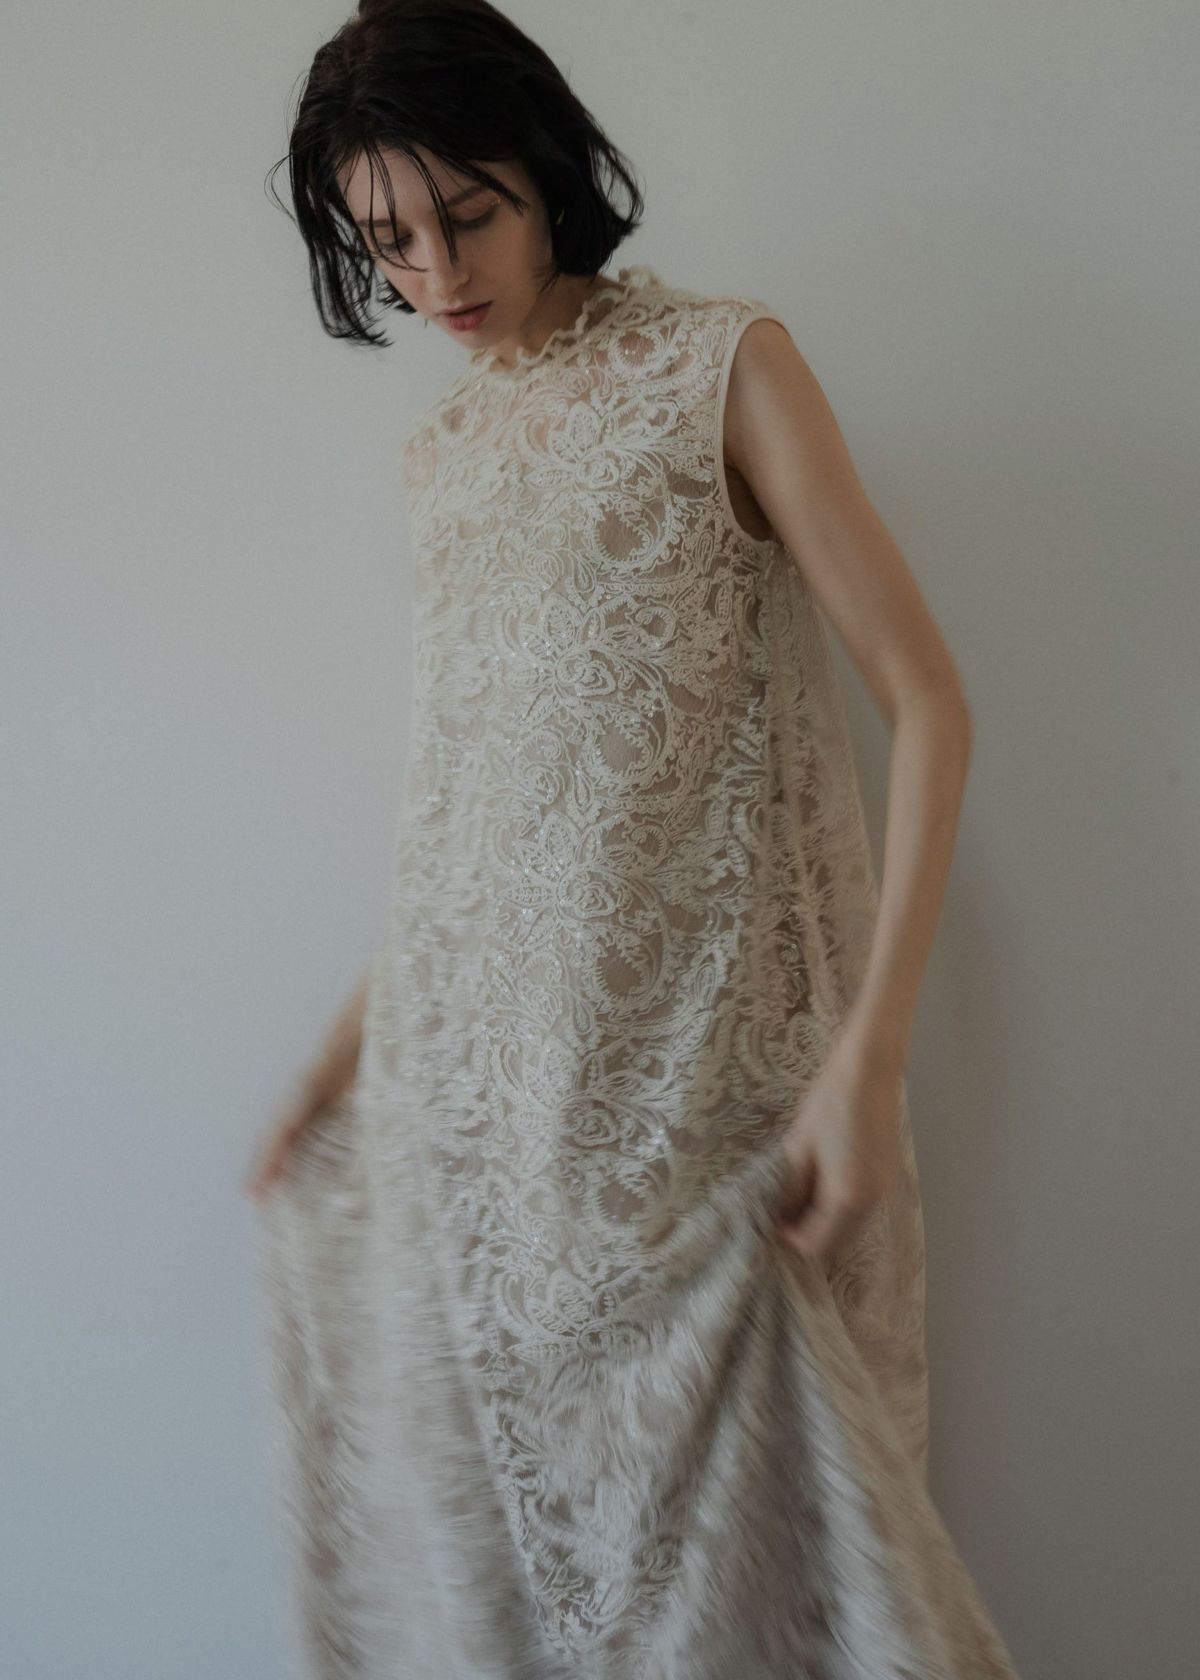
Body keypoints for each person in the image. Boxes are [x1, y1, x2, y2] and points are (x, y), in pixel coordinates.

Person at [246, 2, 1024, 1674]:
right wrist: (338, 1061)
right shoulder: (445, 458)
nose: (437, 275)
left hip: (716, 1140)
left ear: (545, 168)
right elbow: (473, 827)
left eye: (468, 215)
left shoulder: (722, 366)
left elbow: (930, 701)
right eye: (387, 243)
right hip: (494, 1156)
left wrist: (871, 1062)